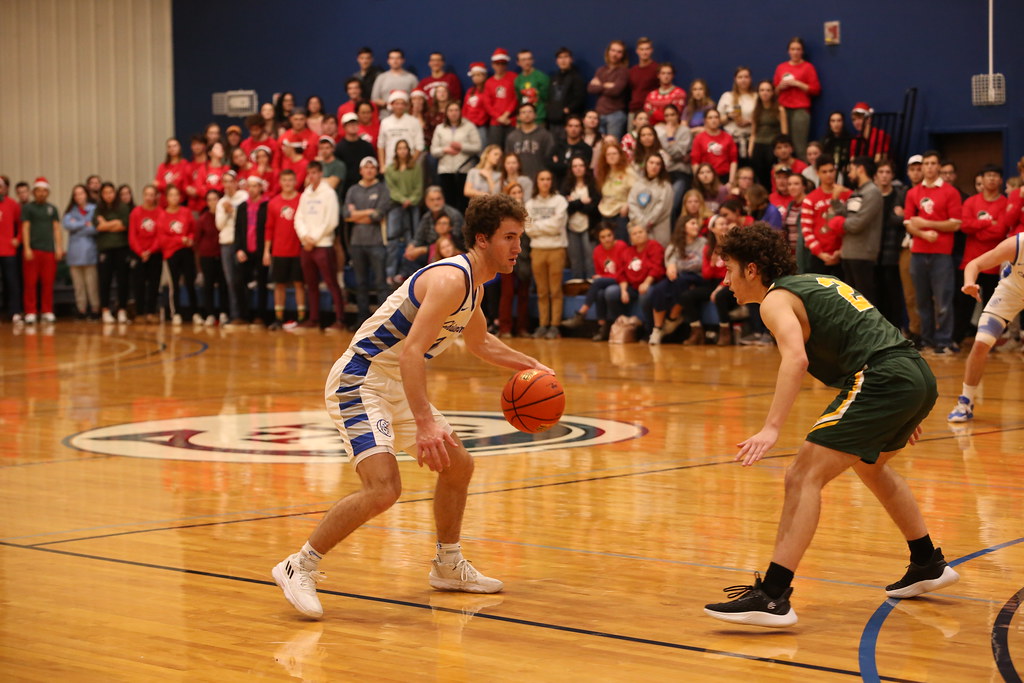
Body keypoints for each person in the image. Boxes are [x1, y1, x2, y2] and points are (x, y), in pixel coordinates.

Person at [271, 194, 551, 619]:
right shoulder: (451, 279)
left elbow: (481, 342)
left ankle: (448, 565)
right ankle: (299, 565)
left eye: (520, 237)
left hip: (393, 383)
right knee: (383, 488)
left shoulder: (474, 286)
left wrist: (531, 365)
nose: (518, 247)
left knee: (459, 466)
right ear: (483, 239)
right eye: (509, 237)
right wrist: (424, 424)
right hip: (360, 378)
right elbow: (411, 354)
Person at [703, 222, 957, 627]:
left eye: (729, 269)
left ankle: (773, 595)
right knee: (871, 466)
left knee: (801, 475)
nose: (726, 280)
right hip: (913, 372)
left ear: (752, 269)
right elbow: (870, 331)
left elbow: (796, 360)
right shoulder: (816, 281)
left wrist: (771, 428)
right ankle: (927, 561)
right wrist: (903, 402)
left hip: (885, 377)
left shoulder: (774, 301)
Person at [947, 232, 1024, 422]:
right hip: (1012, 293)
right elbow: (975, 264)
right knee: (982, 342)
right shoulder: (1017, 244)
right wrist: (969, 283)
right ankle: (965, 403)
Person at [905, 150, 963, 353]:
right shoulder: (913, 193)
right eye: (926, 164)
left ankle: (944, 341)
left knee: (943, 300)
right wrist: (922, 233)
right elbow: (908, 223)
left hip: (941, 253)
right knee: (921, 300)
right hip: (918, 252)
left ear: (939, 166)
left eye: (932, 163)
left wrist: (926, 224)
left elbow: (955, 224)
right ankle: (927, 339)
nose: (929, 167)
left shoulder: (950, 192)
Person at [952, 164, 1006, 344]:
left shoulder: (1004, 203)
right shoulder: (971, 202)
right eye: (988, 175)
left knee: (992, 306)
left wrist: (978, 228)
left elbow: (1000, 231)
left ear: (1000, 180)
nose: (991, 179)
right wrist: (988, 224)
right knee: (963, 305)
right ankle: (956, 340)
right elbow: (965, 226)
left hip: (994, 264)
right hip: (971, 262)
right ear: (981, 179)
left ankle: (988, 342)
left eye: (995, 175)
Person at [296, 164, 347, 332]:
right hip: (307, 245)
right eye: (309, 173)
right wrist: (304, 237)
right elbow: (299, 218)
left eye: (314, 173)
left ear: (320, 174)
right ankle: (314, 319)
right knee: (311, 285)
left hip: (323, 244)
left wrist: (315, 238)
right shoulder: (306, 193)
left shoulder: (329, 193)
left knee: (331, 283)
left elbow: (331, 221)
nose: (311, 176)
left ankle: (340, 319)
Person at [344, 157, 392, 326]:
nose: (369, 170)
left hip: (377, 242)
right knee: (361, 284)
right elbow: (346, 215)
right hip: (356, 243)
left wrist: (357, 215)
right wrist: (367, 213)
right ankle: (362, 321)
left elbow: (378, 215)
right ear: (360, 171)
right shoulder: (353, 190)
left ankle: (383, 323)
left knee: (381, 284)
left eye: (372, 167)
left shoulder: (383, 189)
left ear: (376, 171)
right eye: (366, 167)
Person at [833, 156, 883, 304]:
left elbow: (858, 224)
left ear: (860, 169)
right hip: (848, 251)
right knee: (851, 300)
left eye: (851, 170)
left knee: (864, 299)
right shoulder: (856, 192)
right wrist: (835, 200)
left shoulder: (873, 192)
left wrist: (839, 223)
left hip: (863, 253)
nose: (849, 174)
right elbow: (846, 215)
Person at [648, 215, 705, 344]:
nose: (696, 226)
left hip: (696, 276)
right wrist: (671, 267)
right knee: (658, 289)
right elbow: (670, 262)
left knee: (681, 282)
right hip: (679, 277)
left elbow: (702, 264)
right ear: (683, 227)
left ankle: (671, 321)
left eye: (697, 224)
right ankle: (657, 328)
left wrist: (679, 268)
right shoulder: (675, 245)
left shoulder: (703, 243)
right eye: (692, 223)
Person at [526, 169, 569, 339]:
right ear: (537, 182)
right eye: (542, 179)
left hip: (556, 249)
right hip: (537, 249)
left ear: (552, 181)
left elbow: (557, 225)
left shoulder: (560, 201)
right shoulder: (530, 204)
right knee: (542, 291)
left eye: (548, 179)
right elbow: (528, 228)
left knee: (555, 290)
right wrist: (547, 226)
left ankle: (555, 325)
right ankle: (543, 324)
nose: (545, 182)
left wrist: (538, 225)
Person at [261, 170, 305, 331]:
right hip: (279, 251)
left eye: (290, 180)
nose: (287, 183)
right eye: (284, 180)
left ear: (295, 182)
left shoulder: (302, 199)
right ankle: (279, 319)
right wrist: (266, 251)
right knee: (279, 285)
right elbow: (269, 228)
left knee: (299, 284)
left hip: (298, 250)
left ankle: (301, 318)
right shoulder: (273, 202)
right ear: (280, 182)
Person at [606, 222, 664, 331]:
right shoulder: (628, 251)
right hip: (632, 286)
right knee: (611, 292)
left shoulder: (654, 246)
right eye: (634, 234)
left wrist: (646, 283)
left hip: (652, 284)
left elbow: (657, 268)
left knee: (645, 294)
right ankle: (623, 325)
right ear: (630, 238)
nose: (638, 235)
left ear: (646, 233)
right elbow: (621, 273)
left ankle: (650, 329)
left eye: (640, 232)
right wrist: (623, 291)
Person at [20, 177, 64, 324]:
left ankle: (47, 310)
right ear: (34, 192)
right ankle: (31, 311)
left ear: (48, 192)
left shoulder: (52, 209)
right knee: (30, 283)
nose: (41, 193)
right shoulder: (28, 208)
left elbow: (56, 228)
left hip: (49, 251)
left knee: (48, 282)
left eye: (44, 190)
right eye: (38, 190)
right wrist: (27, 247)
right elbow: (25, 228)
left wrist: (59, 247)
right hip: (33, 250)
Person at [772, 37, 821, 159]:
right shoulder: (781, 67)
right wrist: (780, 86)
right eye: (792, 49)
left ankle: (802, 169)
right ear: (788, 51)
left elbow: (816, 90)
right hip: (783, 109)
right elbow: (774, 91)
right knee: (782, 145)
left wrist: (797, 84)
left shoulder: (808, 67)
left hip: (800, 110)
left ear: (802, 51)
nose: (795, 52)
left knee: (799, 146)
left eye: (798, 49)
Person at [158, 186, 201, 325]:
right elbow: (162, 239)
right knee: (174, 285)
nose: (174, 198)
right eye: (171, 195)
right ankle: (175, 313)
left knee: (190, 283)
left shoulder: (186, 212)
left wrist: (190, 239)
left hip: (186, 251)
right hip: (171, 253)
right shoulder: (163, 215)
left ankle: (195, 313)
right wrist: (179, 239)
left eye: (176, 195)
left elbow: (193, 230)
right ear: (166, 198)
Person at [873, 160, 908, 329]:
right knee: (876, 294)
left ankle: (896, 330)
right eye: (881, 172)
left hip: (893, 251)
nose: (884, 176)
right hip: (872, 252)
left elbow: (906, 219)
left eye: (887, 172)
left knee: (893, 294)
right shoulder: (871, 196)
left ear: (893, 175)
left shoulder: (900, 195)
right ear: (875, 176)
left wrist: (902, 216)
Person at [384, 139, 424, 286]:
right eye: (399, 148)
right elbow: (391, 189)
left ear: (409, 150)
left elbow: (419, 187)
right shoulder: (390, 169)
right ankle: (391, 273)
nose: (402, 151)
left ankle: (408, 273)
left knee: (411, 238)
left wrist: (411, 200)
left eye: (405, 148)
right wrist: (402, 199)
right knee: (393, 239)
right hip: (395, 205)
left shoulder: (415, 167)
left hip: (412, 206)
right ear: (396, 151)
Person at [431, 101, 482, 212]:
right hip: (445, 170)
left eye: (456, 110)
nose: (453, 113)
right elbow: (433, 150)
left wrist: (461, 146)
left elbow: (477, 147)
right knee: (449, 203)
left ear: (460, 112)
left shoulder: (469, 126)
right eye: (450, 110)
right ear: (446, 113)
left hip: (464, 169)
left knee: (464, 203)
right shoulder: (440, 128)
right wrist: (445, 150)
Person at [233, 176, 270, 327]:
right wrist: (238, 249)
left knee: (262, 283)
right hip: (245, 250)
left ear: (260, 188)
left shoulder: (266, 205)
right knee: (239, 282)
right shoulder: (242, 206)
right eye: (250, 186)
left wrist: (268, 250)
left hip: (261, 250)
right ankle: (243, 315)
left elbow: (269, 229)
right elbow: (237, 229)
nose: (252, 189)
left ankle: (261, 316)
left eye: (255, 186)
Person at [93, 182, 132, 324]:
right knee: (104, 281)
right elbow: (99, 227)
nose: (108, 195)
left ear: (115, 193)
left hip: (121, 247)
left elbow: (124, 225)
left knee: (123, 280)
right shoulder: (98, 208)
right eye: (105, 193)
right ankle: (105, 310)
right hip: (105, 249)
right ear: (101, 195)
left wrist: (107, 224)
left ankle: (122, 310)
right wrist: (115, 223)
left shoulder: (123, 207)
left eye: (111, 192)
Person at [62, 184, 100, 320]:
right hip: (74, 253)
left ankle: (95, 308)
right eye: (76, 194)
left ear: (86, 195)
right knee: (78, 285)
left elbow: (95, 228)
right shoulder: (70, 211)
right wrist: (85, 223)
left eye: (81, 193)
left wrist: (77, 225)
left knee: (92, 284)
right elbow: (67, 224)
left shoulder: (94, 209)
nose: (79, 196)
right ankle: (81, 309)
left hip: (89, 251)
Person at [562, 155, 601, 281]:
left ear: (585, 167)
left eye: (580, 165)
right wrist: (581, 202)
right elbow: (565, 207)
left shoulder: (592, 185)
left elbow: (594, 208)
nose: (578, 169)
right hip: (572, 227)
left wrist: (574, 203)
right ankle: (577, 286)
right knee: (575, 260)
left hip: (589, 227)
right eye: (575, 166)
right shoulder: (566, 186)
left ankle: (591, 285)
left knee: (590, 259)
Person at [129, 185, 165, 324]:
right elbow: (132, 235)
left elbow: (160, 235)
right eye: (147, 194)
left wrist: (151, 250)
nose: (149, 197)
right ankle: (139, 313)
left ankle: (151, 312)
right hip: (138, 253)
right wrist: (141, 252)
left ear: (156, 197)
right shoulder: (136, 212)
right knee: (139, 284)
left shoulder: (160, 212)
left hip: (155, 253)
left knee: (154, 284)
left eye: (152, 195)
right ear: (143, 196)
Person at [655, 104, 692, 222]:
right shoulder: (662, 136)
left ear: (678, 115)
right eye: (667, 115)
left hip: (682, 173)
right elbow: (672, 155)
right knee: (666, 207)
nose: (670, 118)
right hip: (667, 174)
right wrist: (674, 149)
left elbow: (678, 154)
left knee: (673, 205)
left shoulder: (685, 131)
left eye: (672, 114)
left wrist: (670, 138)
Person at [195, 189, 227, 325]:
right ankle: (210, 314)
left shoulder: (224, 216)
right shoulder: (203, 219)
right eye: (210, 200)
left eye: (215, 199)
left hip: (222, 255)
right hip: (207, 256)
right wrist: (198, 265)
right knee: (208, 286)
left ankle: (224, 313)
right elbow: (197, 241)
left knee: (223, 285)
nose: (213, 202)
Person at [596, 139, 638, 240]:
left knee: (621, 244)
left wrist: (627, 205)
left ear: (620, 155)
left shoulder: (628, 171)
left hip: (620, 214)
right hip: (605, 213)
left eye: (614, 153)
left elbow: (636, 192)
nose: (611, 156)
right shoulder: (604, 172)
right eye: (608, 154)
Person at [587, 40, 629, 140]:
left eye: (619, 52)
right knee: (598, 144)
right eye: (613, 50)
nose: (615, 54)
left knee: (612, 144)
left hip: (615, 115)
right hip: (599, 114)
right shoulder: (601, 70)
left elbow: (616, 91)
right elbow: (590, 88)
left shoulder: (624, 71)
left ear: (623, 55)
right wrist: (606, 85)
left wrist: (600, 85)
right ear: (608, 52)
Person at [749, 80, 788, 189]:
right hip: (758, 145)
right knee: (759, 176)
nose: (765, 93)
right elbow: (753, 133)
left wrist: (782, 149)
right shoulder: (756, 110)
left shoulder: (779, 109)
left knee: (771, 176)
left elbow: (784, 133)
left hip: (772, 146)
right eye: (762, 90)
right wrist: (750, 149)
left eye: (768, 90)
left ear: (772, 92)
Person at [628, 154, 673, 246]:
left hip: (658, 231)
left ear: (661, 167)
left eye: (658, 164)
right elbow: (632, 204)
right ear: (646, 165)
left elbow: (661, 209)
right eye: (651, 163)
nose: (654, 166)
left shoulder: (666, 186)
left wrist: (645, 224)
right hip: (638, 230)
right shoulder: (638, 184)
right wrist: (640, 222)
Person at [505, 102, 554, 180]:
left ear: (535, 115)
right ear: (518, 117)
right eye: (523, 112)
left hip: (538, 179)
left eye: (530, 112)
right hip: (518, 180)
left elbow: (549, 158)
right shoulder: (512, 137)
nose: (527, 115)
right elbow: (508, 159)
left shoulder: (545, 135)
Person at [377, 91, 424, 169]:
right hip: (390, 165)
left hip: (409, 166)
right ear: (391, 105)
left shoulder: (414, 122)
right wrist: (382, 165)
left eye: (402, 104)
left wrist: (411, 162)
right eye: (397, 104)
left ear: (406, 106)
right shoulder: (385, 122)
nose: (399, 106)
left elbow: (420, 145)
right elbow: (381, 145)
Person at [717, 67, 756, 159]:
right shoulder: (727, 96)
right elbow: (717, 120)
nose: (743, 80)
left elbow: (763, 118)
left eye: (746, 77)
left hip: (751, 140)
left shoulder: (756, 97)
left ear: (750, 79)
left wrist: (750, 122)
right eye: (740, 77)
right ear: (735, 79)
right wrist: (729, 116)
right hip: (731, 140)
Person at [690, 110, 737, 185]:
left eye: (716, 117)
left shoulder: (728, 137)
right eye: (710, 118)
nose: (713, 120)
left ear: (719, 120)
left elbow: (733, 161)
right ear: (705, 120)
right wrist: (699, 182)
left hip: (725, 177)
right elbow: (695, 162)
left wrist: (731, 182)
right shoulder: (699, 138)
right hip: (706, 178)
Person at [548, 47, 586, 139]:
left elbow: (580, 98)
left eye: (566, 57)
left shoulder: (577, 77)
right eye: (560, 57)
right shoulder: (554, 78)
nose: (563, 60)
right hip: (553, 120)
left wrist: (568, 109)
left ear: (571, 59)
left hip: (568, 121)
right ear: (556, 61)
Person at [336, 112, 377, 198]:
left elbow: (374, 165)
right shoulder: (339, 148)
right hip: (346, 189)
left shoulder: (367, 146)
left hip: (366, 187)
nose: (353, 126)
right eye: (350, 124)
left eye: (355, 123)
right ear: (344, 127)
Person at [484, 48, 518, 150]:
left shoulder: (514, 77)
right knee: (495, 150)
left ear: (506, 64)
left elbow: (516, 98)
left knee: (511, 150)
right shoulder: (489, 82)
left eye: (503, 63)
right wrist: (499, 117)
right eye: (497, 63)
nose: (500, 66)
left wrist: (506, 114)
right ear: (493, 65)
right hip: (496, 122)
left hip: (511, 120)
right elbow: (487, 104)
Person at [0, 177, 23, 323]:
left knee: (12, 281)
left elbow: (21, 225)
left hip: (8, 250)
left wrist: (18, 239)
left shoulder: (12, 204)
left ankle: (14, 311)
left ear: (5, 188)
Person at [370, 49, 420, 114]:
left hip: (406, 116)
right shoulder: (381, 78)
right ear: (388, 61)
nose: (395, 61)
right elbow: (374, 99)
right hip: (385, 116)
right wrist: (388, 104)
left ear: (403, 60)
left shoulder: (411, 78)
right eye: (392, 58)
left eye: (398, 58)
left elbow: (417, 98)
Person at [549, 115, 593, 187]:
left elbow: (582, 169)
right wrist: (570, 165)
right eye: (570, 126)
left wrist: (559, 164)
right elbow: (550, 164)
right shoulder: (558, 146)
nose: (573, 129)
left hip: (577, 186)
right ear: (565, 128)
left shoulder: (586, 149)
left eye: (576, 126)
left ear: (581, 128)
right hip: (558, 184)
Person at [627, 37, 660, 127]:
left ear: (651, 50)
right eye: (641, 49)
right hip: (633, 110)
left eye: (647, 49)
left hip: (649, 111)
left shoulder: (657, 68)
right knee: (631, 135)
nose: (644, 52)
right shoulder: (632, 70)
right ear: (637, 51)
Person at [513, 49, 550, 124]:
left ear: (533, 61)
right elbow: (520, 100)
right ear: (518, 63)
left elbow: (547, 99)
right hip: (523, 120)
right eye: (523, 60)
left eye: (529, 59)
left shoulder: (542, 77)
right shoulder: (517, 80)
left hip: (538, 119)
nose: (527, 62)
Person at [154, 138, 190, 207]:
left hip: (180, 202)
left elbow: (182, 186)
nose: (172, 149)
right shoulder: (162, 166)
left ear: (179, 148)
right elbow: (156, 185)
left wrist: (162, 185)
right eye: (169, 147)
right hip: (164, 203)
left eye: (174, 146)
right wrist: (174, 183)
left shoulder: (185, 164)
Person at [463, 62, 490, 148]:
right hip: (467, 125)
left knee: (481, 148)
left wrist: (477, 122)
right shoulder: (470, 91)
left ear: (484, 76)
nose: (476, 78)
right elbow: (465, 108)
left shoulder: (487, 90)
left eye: (478, 75)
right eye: (473, 75)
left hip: (480, 126)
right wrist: (464, 121)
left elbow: (486, 109)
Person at [821, 112, 851, 183]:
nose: (836, 124)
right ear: (829, 123)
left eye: (839, 121)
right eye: (833, 121)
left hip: (845, 173)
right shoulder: (825, 141)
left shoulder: (850, 140)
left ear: (843, 123)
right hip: (829, 172)